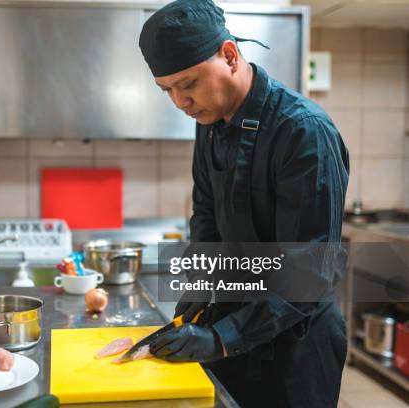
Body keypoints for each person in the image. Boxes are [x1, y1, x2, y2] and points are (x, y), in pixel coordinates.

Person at [139, 1, 350, 407]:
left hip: (297, 344)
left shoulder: (303, 131)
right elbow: (206, 221)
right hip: (234, 329)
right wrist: (194, 303)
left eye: (188, 84)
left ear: (230, 56)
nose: (180, 102)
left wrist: (221, 338)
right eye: (167, 90)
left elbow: (310, 269)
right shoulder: (211, 123)